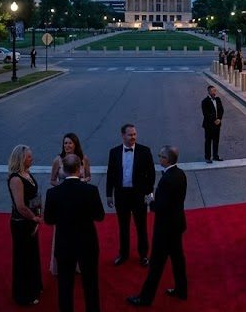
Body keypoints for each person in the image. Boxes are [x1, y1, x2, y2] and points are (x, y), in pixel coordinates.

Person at [127, 145, 188, 306]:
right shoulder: (180, 174)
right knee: (177, 260)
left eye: (161, 156)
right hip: (177, 224)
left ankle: (145, 298)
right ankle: (182, 290)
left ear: (167, 159)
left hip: (165, 229)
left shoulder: (167, 180)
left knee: (156, 265)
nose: (159, 157)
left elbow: (162, 208)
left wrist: (151, 202)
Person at [44, 154, 105, 312]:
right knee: (90, 284)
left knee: (65, 286)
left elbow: (49, 220)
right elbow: (100, 216)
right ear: (80, 169)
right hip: (87, 244)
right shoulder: (91, 190)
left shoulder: (53, 193)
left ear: (63, 169)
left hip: (64, 244)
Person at [106, 124, 155, 267]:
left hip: (138, 195)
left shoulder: (144, 151)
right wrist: (109, 194)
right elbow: (111, 174)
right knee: (123, 226)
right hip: (121, 195)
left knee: (141, 226)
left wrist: (149, 194)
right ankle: (123, 254)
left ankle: (144, 255)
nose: (133, 137)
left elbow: (151, 174)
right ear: (123, 135)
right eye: (130, 134)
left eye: (134, 134)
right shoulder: (114, 152)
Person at [49, 133, 92, 275]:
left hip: (79, 200)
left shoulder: (83, 159)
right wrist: (63, 186)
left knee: (79, 232)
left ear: (75, 144)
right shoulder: (58, 160)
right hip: (63, 200)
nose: (67, 146)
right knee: (62, 233)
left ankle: (79, 265)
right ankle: (59, 264)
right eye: (65, 143)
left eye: (70, 143)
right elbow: (52, 180)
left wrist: (83, 181)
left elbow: (88, 175)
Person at [7, 144, 42, 306]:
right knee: (23, 259)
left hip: (30, 220)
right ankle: (24, 294)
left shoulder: (27, 173)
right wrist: (34, 218)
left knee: (32, 256)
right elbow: (20, 206)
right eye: (29, 156)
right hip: (22, 224)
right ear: (21, 159)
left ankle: (34, 286)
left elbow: (34, 196)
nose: (32, 158)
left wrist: (38, 213)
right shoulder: (16, 179)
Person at [201, 85, 225, 163]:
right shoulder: (204, 101)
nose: (214, 92)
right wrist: (214, 120)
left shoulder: (218, 99)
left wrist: (219, 119)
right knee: (208, 141)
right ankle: (207, 157)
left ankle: (215, 156)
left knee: (216, 141)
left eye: (215, 90)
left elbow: (221, 110)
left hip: (217, 124)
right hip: (209, 125)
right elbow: (206, 114)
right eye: (212, 91)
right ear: (209, 91)